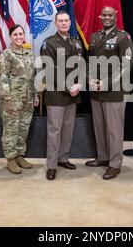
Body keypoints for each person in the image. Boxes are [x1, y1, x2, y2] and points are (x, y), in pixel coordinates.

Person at [85, 6, 133, 180]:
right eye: (104, 15)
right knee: (99, 126)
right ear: (100, 16)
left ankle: (115, 164)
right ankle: (103, 157)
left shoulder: (123, 37)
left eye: (110, 15)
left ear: (116, 16)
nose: (106, 17)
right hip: (95, 90)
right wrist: (90, 79)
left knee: (114, 129)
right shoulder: (95, 36)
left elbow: (125, 66)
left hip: (113, 90)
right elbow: (90, 62)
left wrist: (106, 83)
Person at [40, 11, 83, 181]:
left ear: (70, 23)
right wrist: (68, 86)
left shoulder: (77, 43)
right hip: (57, 93)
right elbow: (49, 69)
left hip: (74, 93)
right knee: (54, 130)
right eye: (60, 21)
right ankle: (51, 165)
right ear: (55, 23)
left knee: (67, 129)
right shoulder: (48, 43)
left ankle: (63, 158)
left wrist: (80, 84)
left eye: (66, 20)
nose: (64, 23)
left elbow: (81, 66)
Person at [0, 25, 39, 174]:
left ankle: (20, 155)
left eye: (21, 34)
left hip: (27, 99)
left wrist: (36, 95)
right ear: (10, 36)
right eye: (15, 34)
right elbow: (2, 78)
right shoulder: (6, 55)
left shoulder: (29, 54)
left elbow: (33, 77)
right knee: (11, 129)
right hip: (12, 100)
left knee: (24, 128)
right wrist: (7, 98)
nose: (19, 37)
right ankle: (11, 159)